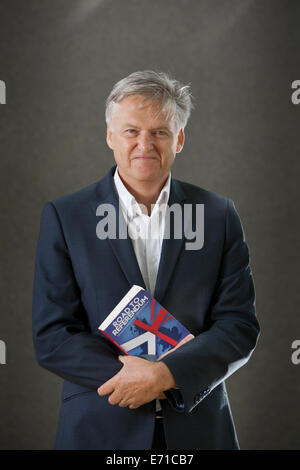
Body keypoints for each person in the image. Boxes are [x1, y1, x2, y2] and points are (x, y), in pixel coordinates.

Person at [32, 70, 260, 450]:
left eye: (160, 132)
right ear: (110, 136)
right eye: (131, 131)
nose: (145, 144)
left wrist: (166, 375)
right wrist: (135, 378)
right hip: (99, 427)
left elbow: (238, 326)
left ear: (179, 139)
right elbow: (53, 335)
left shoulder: (218, 214)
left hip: (199, 429)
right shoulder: (66, 216)